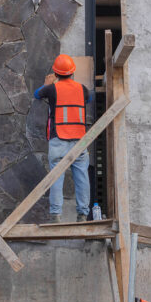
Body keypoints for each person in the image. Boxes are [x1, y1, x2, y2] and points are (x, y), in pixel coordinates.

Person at [34, 54, 93, 223]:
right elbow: (89, 98)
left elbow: (37, 94)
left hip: (58, 139)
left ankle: (56, 215)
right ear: (72, 72)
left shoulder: (52, 89)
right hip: (79, 141)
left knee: (56, 178)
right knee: (82, 177)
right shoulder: (82, 89)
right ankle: (82, 214)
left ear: (55, 72)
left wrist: (46, 84)